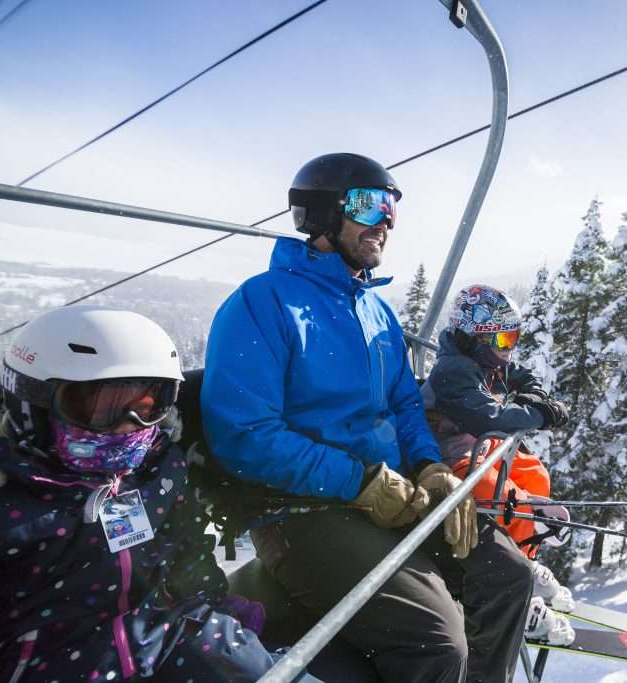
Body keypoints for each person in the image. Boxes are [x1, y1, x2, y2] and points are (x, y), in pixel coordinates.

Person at [199, 153, 533, 683]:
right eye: (369, 204)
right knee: (438, 646)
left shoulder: (376, 312)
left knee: (508, 576)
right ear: (321, 212)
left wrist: (429, 467)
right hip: (301, 509)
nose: (385, 221)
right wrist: (360, 480)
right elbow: (245, 436)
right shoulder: (262, 303)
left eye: (392, 209)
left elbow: (403, 403)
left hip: (390, 492)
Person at [0, 305, 310, 682]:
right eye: (101, 408)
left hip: (156, 647)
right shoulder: (11, 505)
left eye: (148, 406)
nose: (129, 427)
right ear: (34, 405)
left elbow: (187, 557)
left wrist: (213, 612)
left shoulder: (155, 475)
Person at [421, 285, 576, 647]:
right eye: (504, 339)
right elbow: (490, 415)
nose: (510, 349)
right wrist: (538, 414)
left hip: (474, 448)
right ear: (476, 338)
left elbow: (519, 375)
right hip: (448, 458)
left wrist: (535, 395)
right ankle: (518, 599)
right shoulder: (453, 372)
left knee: (533, 474)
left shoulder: (487, 360)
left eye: (514, 339)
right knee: (507, 499)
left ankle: (524, 562)